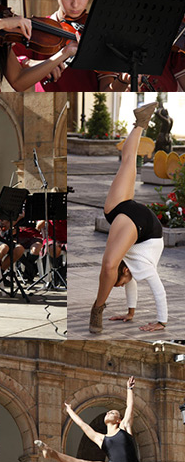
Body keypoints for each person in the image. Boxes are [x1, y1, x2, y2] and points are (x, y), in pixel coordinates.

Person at [89, 101, 168, 334]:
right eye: (121, 282)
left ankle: (140, 122)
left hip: (122, 211)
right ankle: (97, 308)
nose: (124, 285)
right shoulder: (143, 267)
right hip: (141, 225)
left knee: (128, 159)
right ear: (125, 273)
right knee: (109, 264)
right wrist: (161, 321)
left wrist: (130, 312)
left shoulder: (130, 267)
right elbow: (159, 290)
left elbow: (128, 283)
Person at [34, 376, 160, 462]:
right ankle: (50, 452)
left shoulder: (125, 427)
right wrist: (70, 411)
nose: (108, 413)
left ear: (118, 420)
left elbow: (130, 407)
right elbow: (83, 425)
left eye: (112, 412)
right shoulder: (100, 438)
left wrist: (129, 389)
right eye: (108, 412)